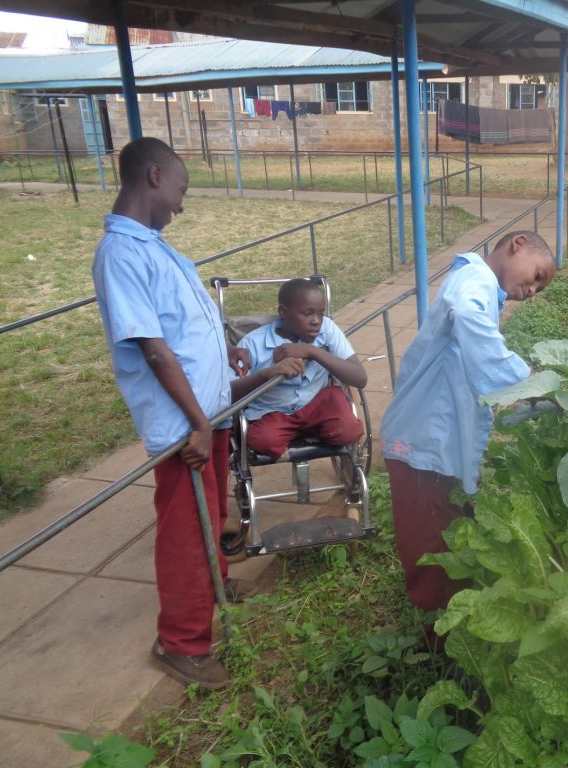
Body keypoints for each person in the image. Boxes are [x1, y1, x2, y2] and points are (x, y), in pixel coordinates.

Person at [93, 137, 253, 691]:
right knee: (186, 531)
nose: (182, 205)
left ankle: (215, 586)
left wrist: (223, 349)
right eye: (182, 190)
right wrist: (198, 423)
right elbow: (154, 348)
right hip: (185, 424)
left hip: (207, 412)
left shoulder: (157, 247)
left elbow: (184, 327)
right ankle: (182, 643)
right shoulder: (121, 254)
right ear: (155, 176)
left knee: (212, 512)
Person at [381, 231, 555, 615]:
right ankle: (439, 631)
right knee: (432, 543)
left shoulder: (482, 289)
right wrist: (528, 383)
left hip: (434, 441)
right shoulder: (475, 280)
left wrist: (532, 400)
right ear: (518, 244)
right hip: (421, 444)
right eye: (537, 276)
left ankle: (452, 613)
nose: (532, 291)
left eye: (539, 289)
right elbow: (466, 314)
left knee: (449, 526)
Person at [230, 279, 366, 461]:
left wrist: (312, 351)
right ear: (283, 312)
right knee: (261, 440)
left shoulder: (327, 329)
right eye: (307, 314)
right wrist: (265, 374)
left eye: (321, 314)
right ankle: (307, 433)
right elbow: (228, 395)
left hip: (317, 403)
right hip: (273, 411)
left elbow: (360, 378)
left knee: (349, 431)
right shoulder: (252, 344)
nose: (316, 321)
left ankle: (315, 430)